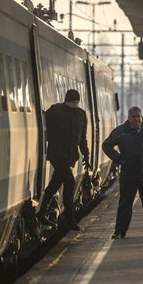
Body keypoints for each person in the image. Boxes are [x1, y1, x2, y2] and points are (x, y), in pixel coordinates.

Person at [103, 106, 143, 239]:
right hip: (129, 173)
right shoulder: (120, 131)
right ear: (128, 117)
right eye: (133, 117)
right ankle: (120, 230)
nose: (136, 119)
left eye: (138, 116)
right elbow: (106, 145)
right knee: (125, 203)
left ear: (141, 117)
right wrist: (118, 158)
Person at [36, 89, 89, 232]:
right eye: (72, 102)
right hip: (57, 155)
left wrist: (86, 155)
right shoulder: (55, 111)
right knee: (70, 182)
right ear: (66, 100)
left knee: (55, 183)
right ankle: (70, 219)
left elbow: (82, 138)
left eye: (77, 102)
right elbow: (42, 126)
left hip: (70, 156)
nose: (74, 104)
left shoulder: (81, 115)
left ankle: (41, 212)